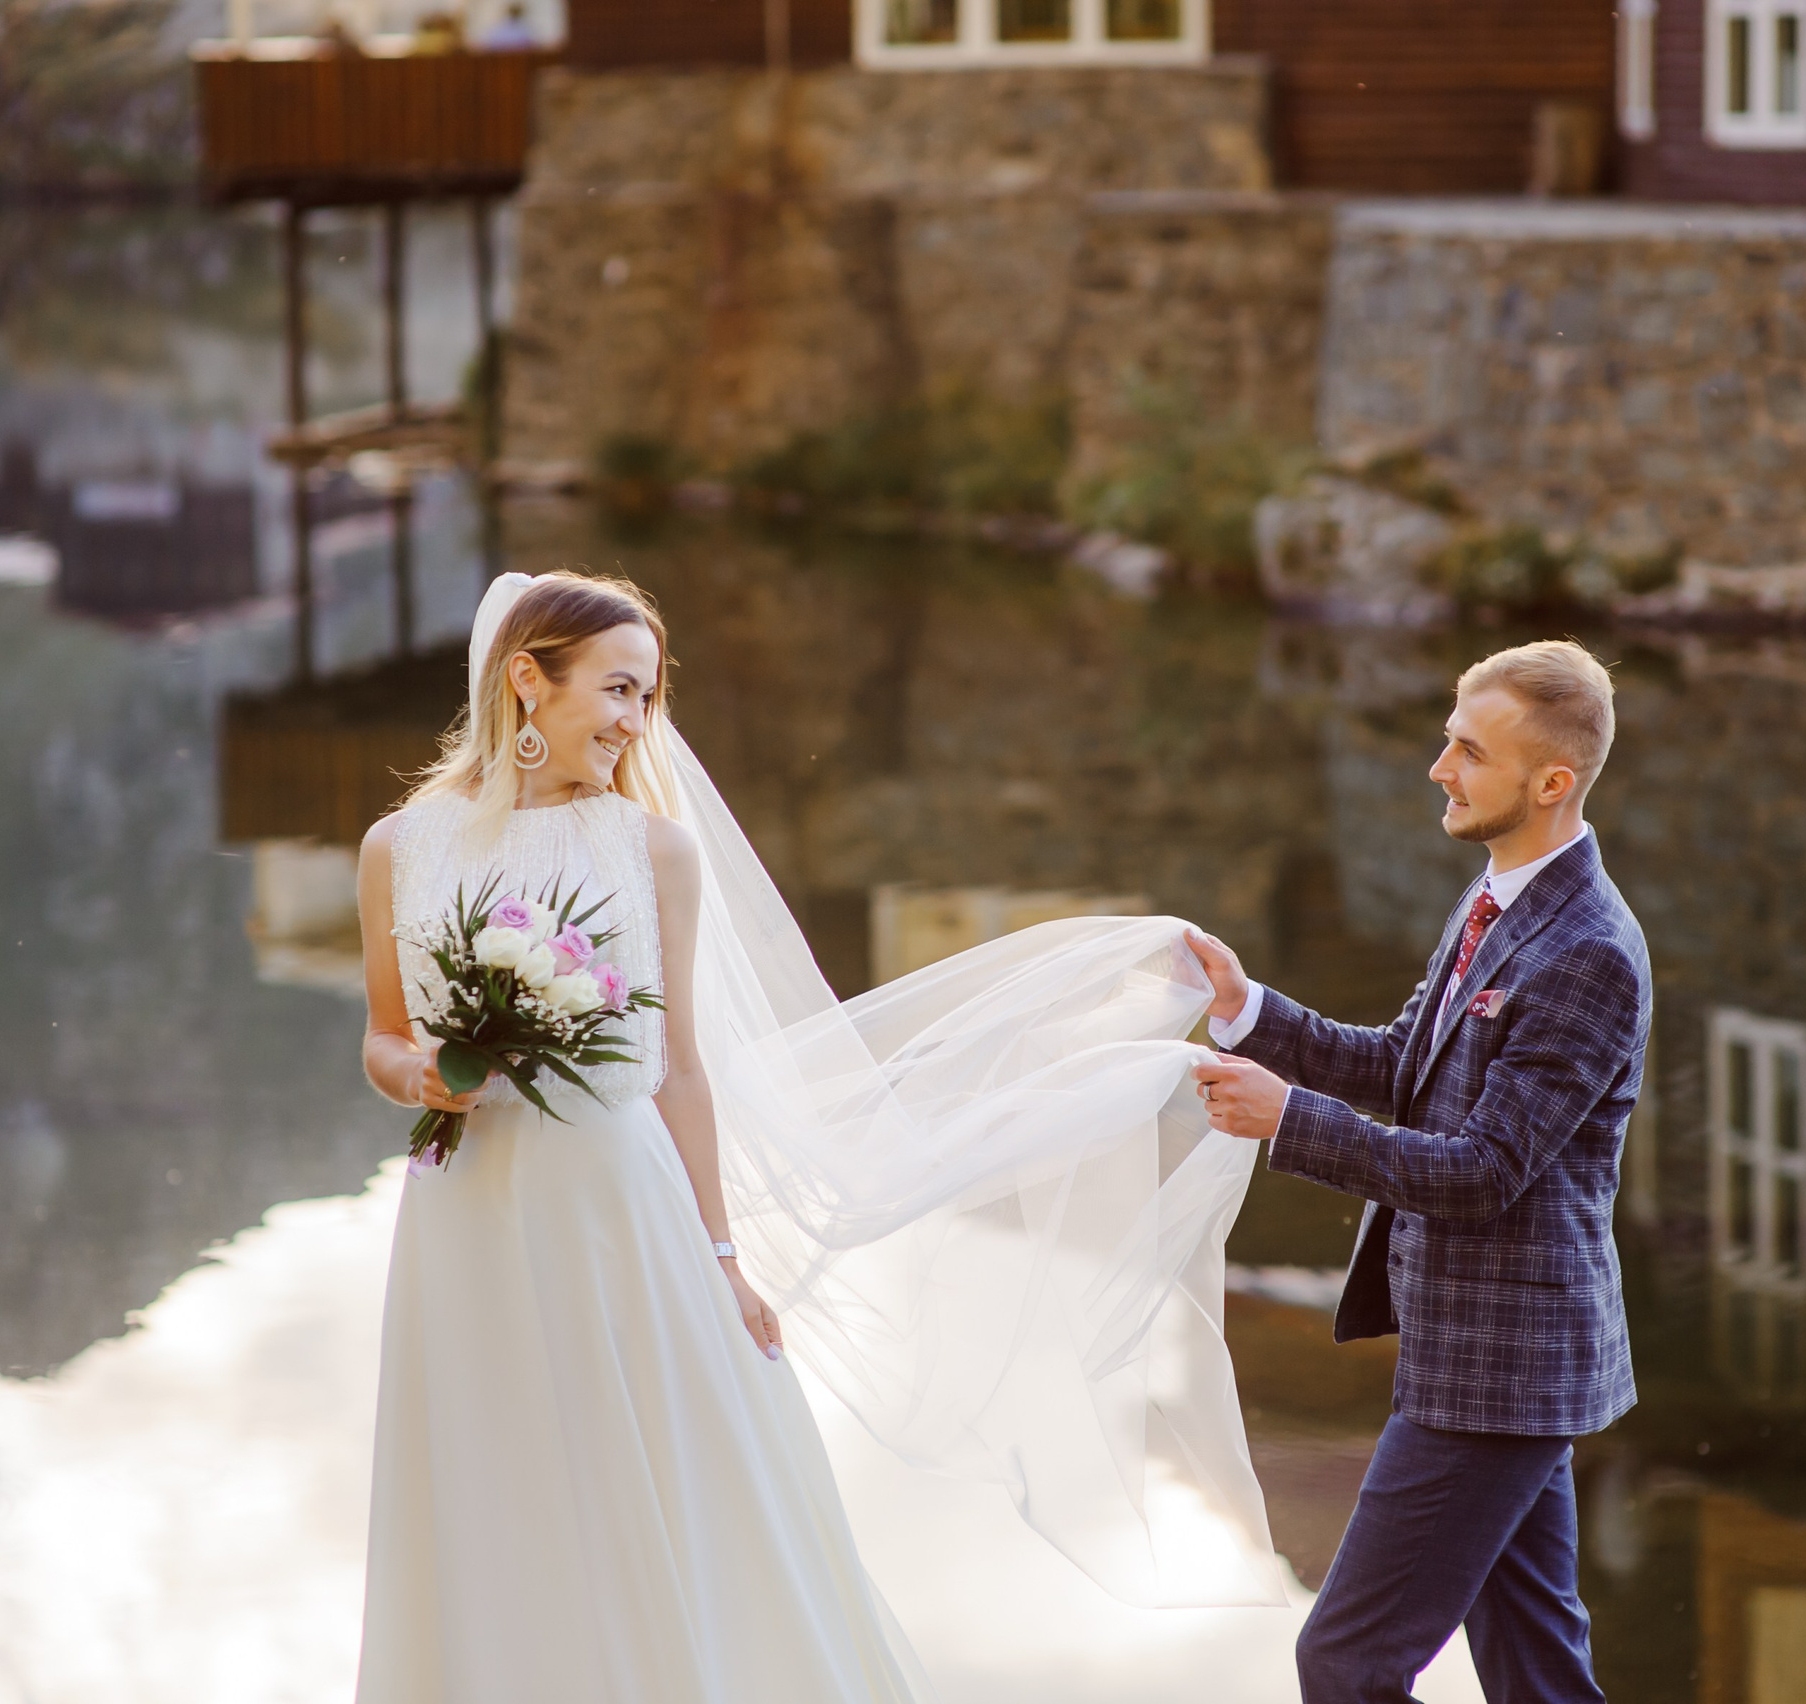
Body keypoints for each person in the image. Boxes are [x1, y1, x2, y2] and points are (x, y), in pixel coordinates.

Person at [352, 570, 1288, 1701]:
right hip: (468, 1212)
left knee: (651, 1474)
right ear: (525, 680)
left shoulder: (652, 852)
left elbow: (681, 1072)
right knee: (488, 1467)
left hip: (617, 1205)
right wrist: (429, 1076)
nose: (635, 720)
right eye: (616, 689)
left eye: (647, 695)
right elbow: (385, 1037)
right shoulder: (401, 847)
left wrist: (722, 1257)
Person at [1188, 639, 1650, 1704]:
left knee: (1345, 1663)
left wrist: (1288, 1120)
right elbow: (1406, 1064)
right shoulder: (1497, 896)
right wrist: (1249, 1012)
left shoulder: (1587, 951)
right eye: (1449, 739)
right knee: (1536, 1666)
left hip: (1499, 1371)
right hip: (1493, 1358)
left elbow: (1484, 1171)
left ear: (1552, 782)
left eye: (1469, 752)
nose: (1439, 768)